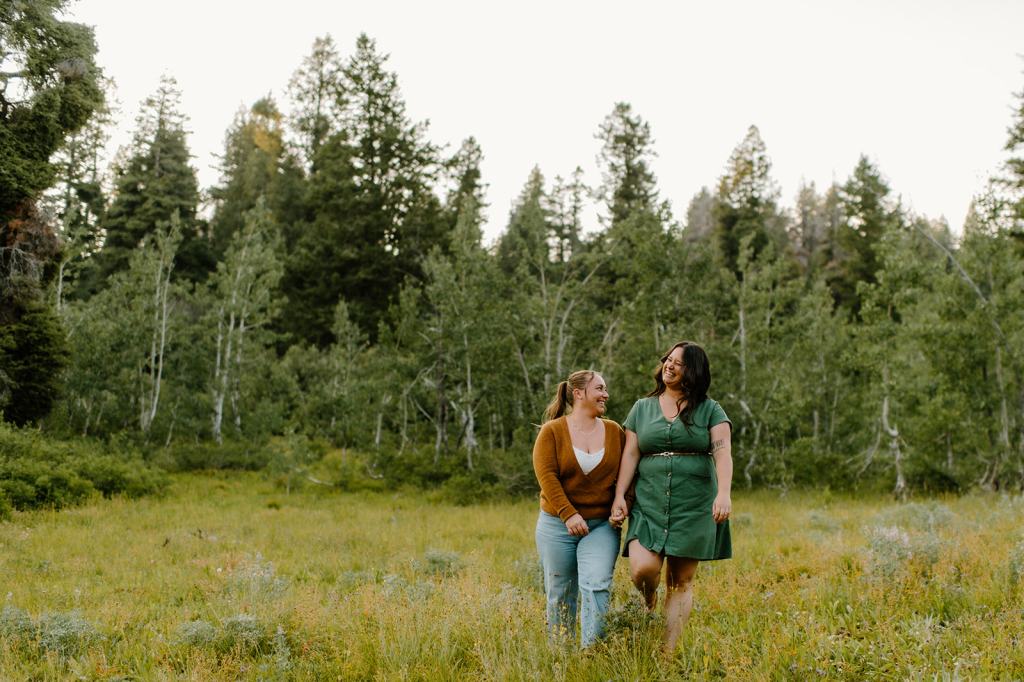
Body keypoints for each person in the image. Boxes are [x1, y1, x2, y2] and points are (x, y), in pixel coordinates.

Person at [609, 341, 733, 654]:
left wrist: (724, 493)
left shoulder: (710, 409)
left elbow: (723, 453)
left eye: (678, 362)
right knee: (643, 570)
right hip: (649, 501)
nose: (669, 365)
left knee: (681, 581)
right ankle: (649, 598)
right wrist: (620, 496)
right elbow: (631, 453)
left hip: (693, 503)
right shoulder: (642, 407)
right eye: (668, 359)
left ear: (694, 371)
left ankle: (667, 652)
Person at [533, 369, 627, 648]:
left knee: (597, 583)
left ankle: (592, 651)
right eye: (599, 388)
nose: (605, 394)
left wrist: (624, 504)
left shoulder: (614, 431)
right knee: (560, 591)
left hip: (601, 525)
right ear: (578, 394)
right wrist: (568, 514)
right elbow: (546, 476)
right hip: (556, 525)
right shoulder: (552, 431)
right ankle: (561, 654)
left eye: (605, 389)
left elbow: (628, 474)